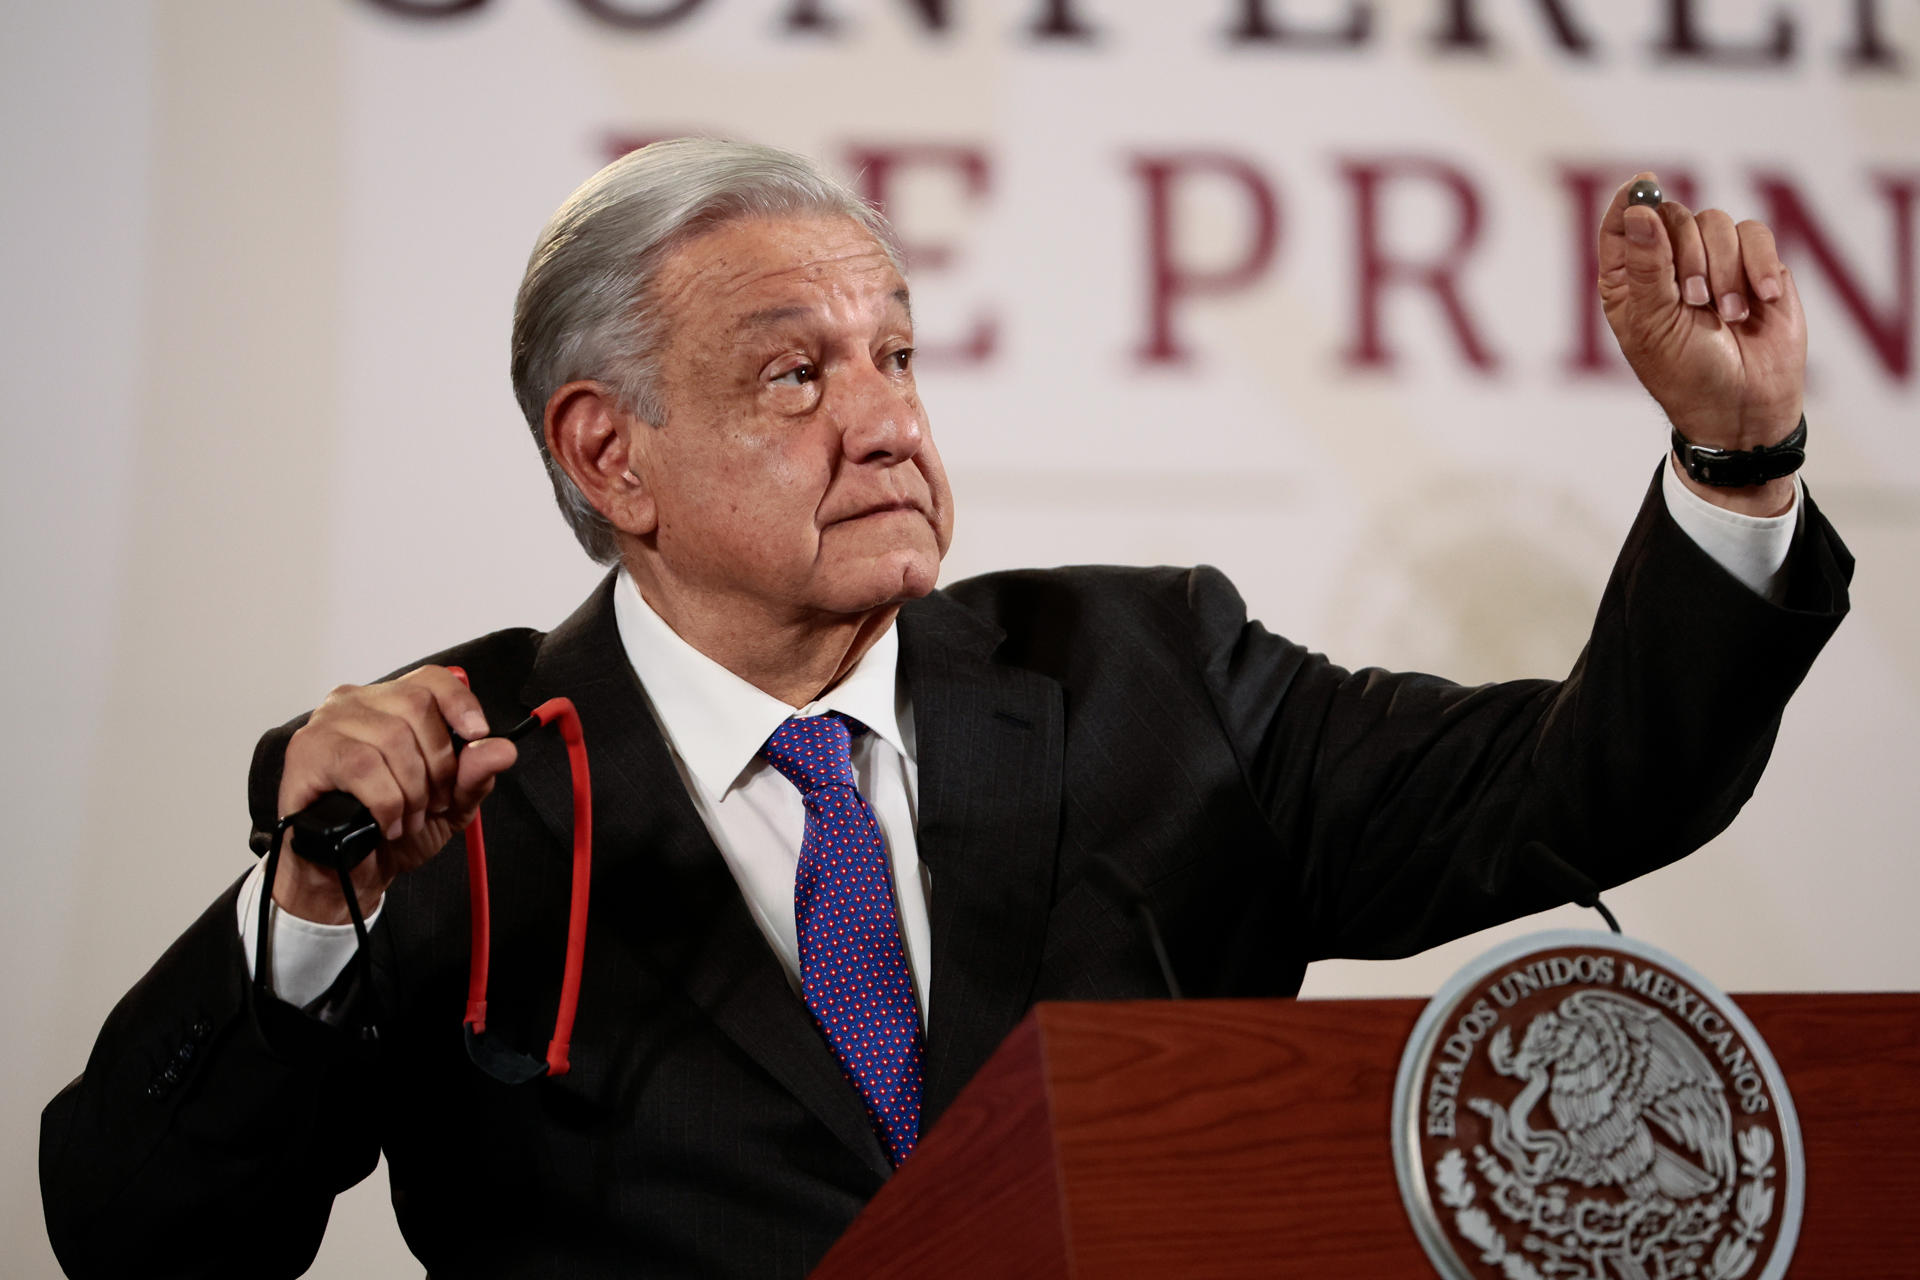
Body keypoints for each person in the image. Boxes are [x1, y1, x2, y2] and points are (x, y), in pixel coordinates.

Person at [41, 139, 1849, 1278]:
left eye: (896, 353)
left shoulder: (1149, 677)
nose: (888, 417)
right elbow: (139, 1239)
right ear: (612, 455)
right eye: (793, 373)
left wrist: (1736, 461)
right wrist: (304, 925)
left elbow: (1578, 789)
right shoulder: (461, 780)